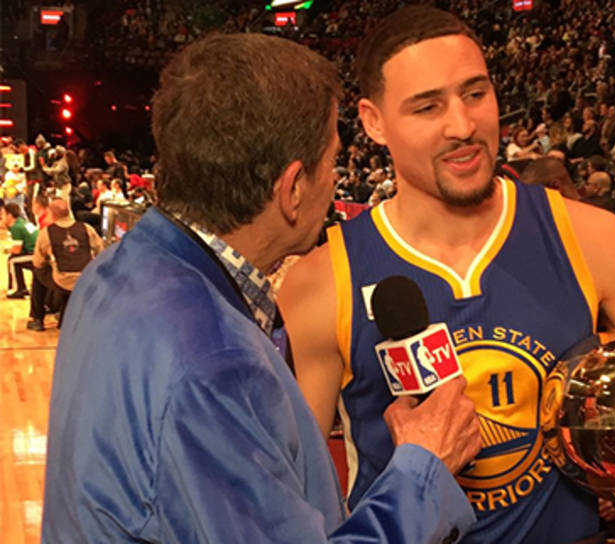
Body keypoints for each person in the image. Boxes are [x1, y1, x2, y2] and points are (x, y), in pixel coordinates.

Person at [278, 7, 615, 544]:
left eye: (475, 94)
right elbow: (287, 493)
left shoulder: (590, 237)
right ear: (373, 122)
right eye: (428, 107)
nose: (462, 126)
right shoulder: (324, 280)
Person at [41, 33, 480, 543]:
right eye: (332, 162)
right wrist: (424, 466)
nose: (334, 180)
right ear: (292, 189)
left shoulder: (117, 267)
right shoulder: (214, 365)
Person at [28, 198, 103, 331]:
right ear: (68, 211)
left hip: (63, 281)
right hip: (86, 279)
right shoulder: (86, 228)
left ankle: (37, 319)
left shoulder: (47, 232)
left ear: (51, 213)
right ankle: (63, 315)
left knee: (38, 273)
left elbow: (38, 262)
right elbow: (101, 252)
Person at [3, 202, 38, 298]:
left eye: (3, 214)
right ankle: (20, 287)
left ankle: (18, 289)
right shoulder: (23, 222)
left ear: (9, 215)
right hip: (37, 253)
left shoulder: (16, 227)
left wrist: (6, 250)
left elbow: (17, 251)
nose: (2, 217)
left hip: (35, 255)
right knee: (14, 259)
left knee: (12, 260)